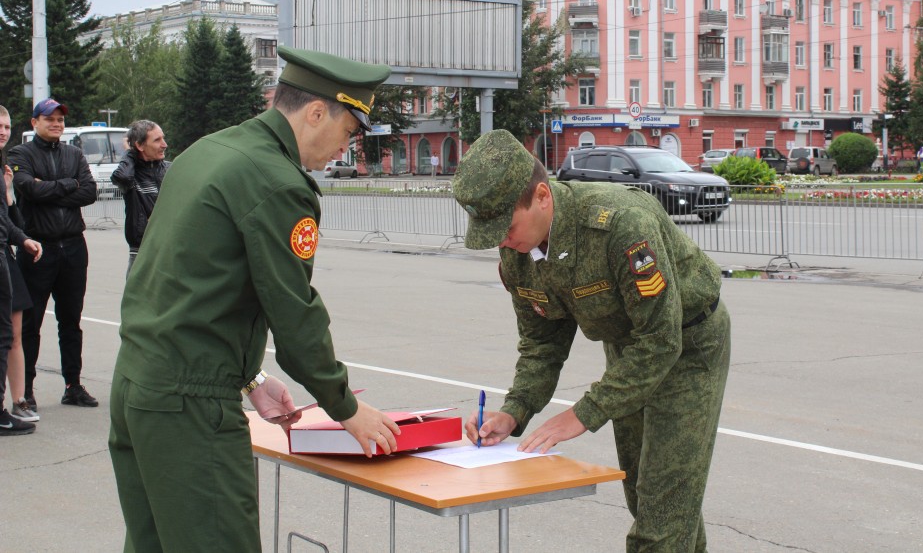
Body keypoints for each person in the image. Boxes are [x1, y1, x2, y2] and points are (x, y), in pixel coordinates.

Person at [109, 47, 402, 552]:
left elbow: (183, 284)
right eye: (349, 133)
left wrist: (251, 376)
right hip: (189, 405)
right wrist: (344, 406)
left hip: (138, 383)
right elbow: (293, 311)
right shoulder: (278, 182)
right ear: (316, 113)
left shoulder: (209, 150)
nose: (344, 150)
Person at [452, 130, 731, 553]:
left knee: (661, 520)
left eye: (506, 226)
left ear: (542, 197)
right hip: (628, 350)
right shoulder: (517, 253)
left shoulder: (619, 224)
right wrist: (514, 411)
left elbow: (660, 339)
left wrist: (583, 414)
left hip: (688, 344)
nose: (501, 241)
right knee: (650, 498)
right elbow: (541, 344)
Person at [9, 99, 99, 411]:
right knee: (31, 323)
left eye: (60, 119)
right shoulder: (21, 154)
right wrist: (67, 185)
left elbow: (90, 192)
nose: (57, 124)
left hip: (73, 246)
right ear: (35, 122)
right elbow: (28, 190)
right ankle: (27, 390)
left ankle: (73, 385)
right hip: (38, 248)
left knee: (71, 320)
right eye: (50, 119)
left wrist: (50, 187)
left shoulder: (73, 153)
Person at [0, 105, 44, 436]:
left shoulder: (3, 171)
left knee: (12, 335)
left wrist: (9, 194)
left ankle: (18, 400)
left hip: (7, 258)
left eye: (6, 126)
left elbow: (12, 222)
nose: (3, 131)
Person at [110, 120, 171, 276]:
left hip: (169, 248)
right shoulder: (131, 174)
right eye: (157, 140)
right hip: (141, 250)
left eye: (163, 138)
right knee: (137, 300)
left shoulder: (171, 170)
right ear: (140, 145)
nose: (164, 144)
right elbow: (122, 177)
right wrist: (129, 152)